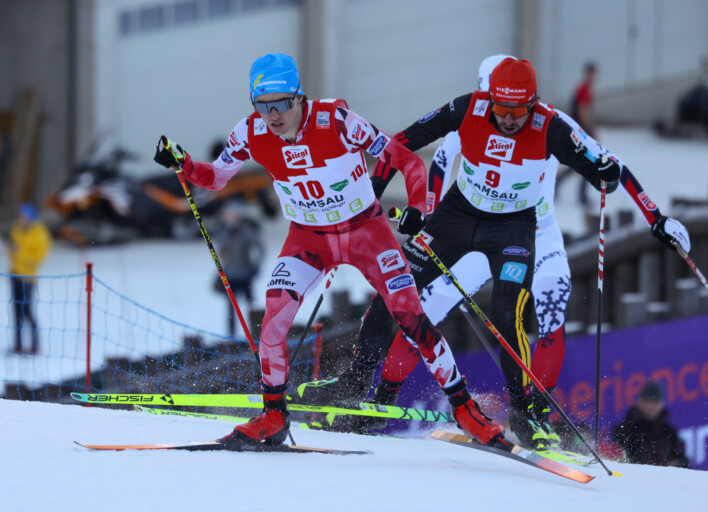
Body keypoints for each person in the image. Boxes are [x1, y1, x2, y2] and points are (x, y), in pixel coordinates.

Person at [298, 56, 690, 450]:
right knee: (395, 287)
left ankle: (524, 411)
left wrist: (650, 214)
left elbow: (602, 168)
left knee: (508, 310)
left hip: (514, 228)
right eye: (501, 110)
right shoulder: (470, 107)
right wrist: (373, 192)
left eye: (517, 112)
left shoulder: (550, 125)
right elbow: (401, 143)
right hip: (457, 215)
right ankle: (358, 380)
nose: (507, 120)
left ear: (532, 104)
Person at [153, 53, 507, 449]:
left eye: (283, 103)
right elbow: (215, 177)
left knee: (411, 317)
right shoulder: (249, 132)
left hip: (366, 232)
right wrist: (182, 163)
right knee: (273, 319)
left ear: (300, 97)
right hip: (308, 239)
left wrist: (418, 208)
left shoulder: (337, 121)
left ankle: (467, 412)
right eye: (264, 106)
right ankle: (274, 415)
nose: (274, 115)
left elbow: (406, 160)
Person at [5, 203, 53, 355]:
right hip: (14, 274)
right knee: (16, 310)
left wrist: (19, 253)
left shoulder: (40, 233)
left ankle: (34, 344)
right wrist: (11, 250)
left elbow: (39, 257)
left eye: (25, 215)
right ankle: (17, 344)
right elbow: (12, 250)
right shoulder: (18, 229)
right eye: (21, 215)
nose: (22, 218)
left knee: (27, 311)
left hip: (28, 278)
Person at [611, 380, 690, 467]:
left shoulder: (669, 432)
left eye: (655, 402)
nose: (650, 406)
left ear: (661, 405)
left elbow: (683, 461)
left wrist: (674, 465)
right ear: (639, 402)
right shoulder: (624, 430)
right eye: (647, 401)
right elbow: (614, 460)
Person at [215, 201, 264, 337]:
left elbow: (260, 248)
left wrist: (256, 266)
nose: (229, 218)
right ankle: (231, 335)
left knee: (251, 305)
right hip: (230, 275)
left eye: (232, 215)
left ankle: (256, 333)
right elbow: (221, 249)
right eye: (227, 215)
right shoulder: (224, 231)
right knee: (231, 307)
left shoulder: (246, 230)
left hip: (245, 275)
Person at [570, 62, 599, 223]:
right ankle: (582, 195)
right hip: (581, 132)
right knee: (587, 162)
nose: (594, 77)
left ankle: (557, 186)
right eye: (592, 74)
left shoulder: (584, 89)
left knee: (576, 162)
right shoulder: (584, 90)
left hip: (579, 131)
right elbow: (583, 110)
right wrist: (591, 131)